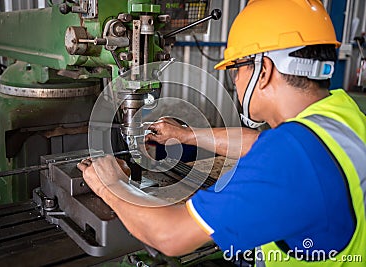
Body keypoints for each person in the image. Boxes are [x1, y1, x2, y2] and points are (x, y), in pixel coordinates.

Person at [78, 0, 366, 266]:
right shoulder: (341, 115)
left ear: (262, 70)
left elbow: (170, 236)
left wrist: (109, 185)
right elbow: (258, 143)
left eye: (235, 71)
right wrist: (185, 135)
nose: (236, 83)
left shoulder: (291, 156)